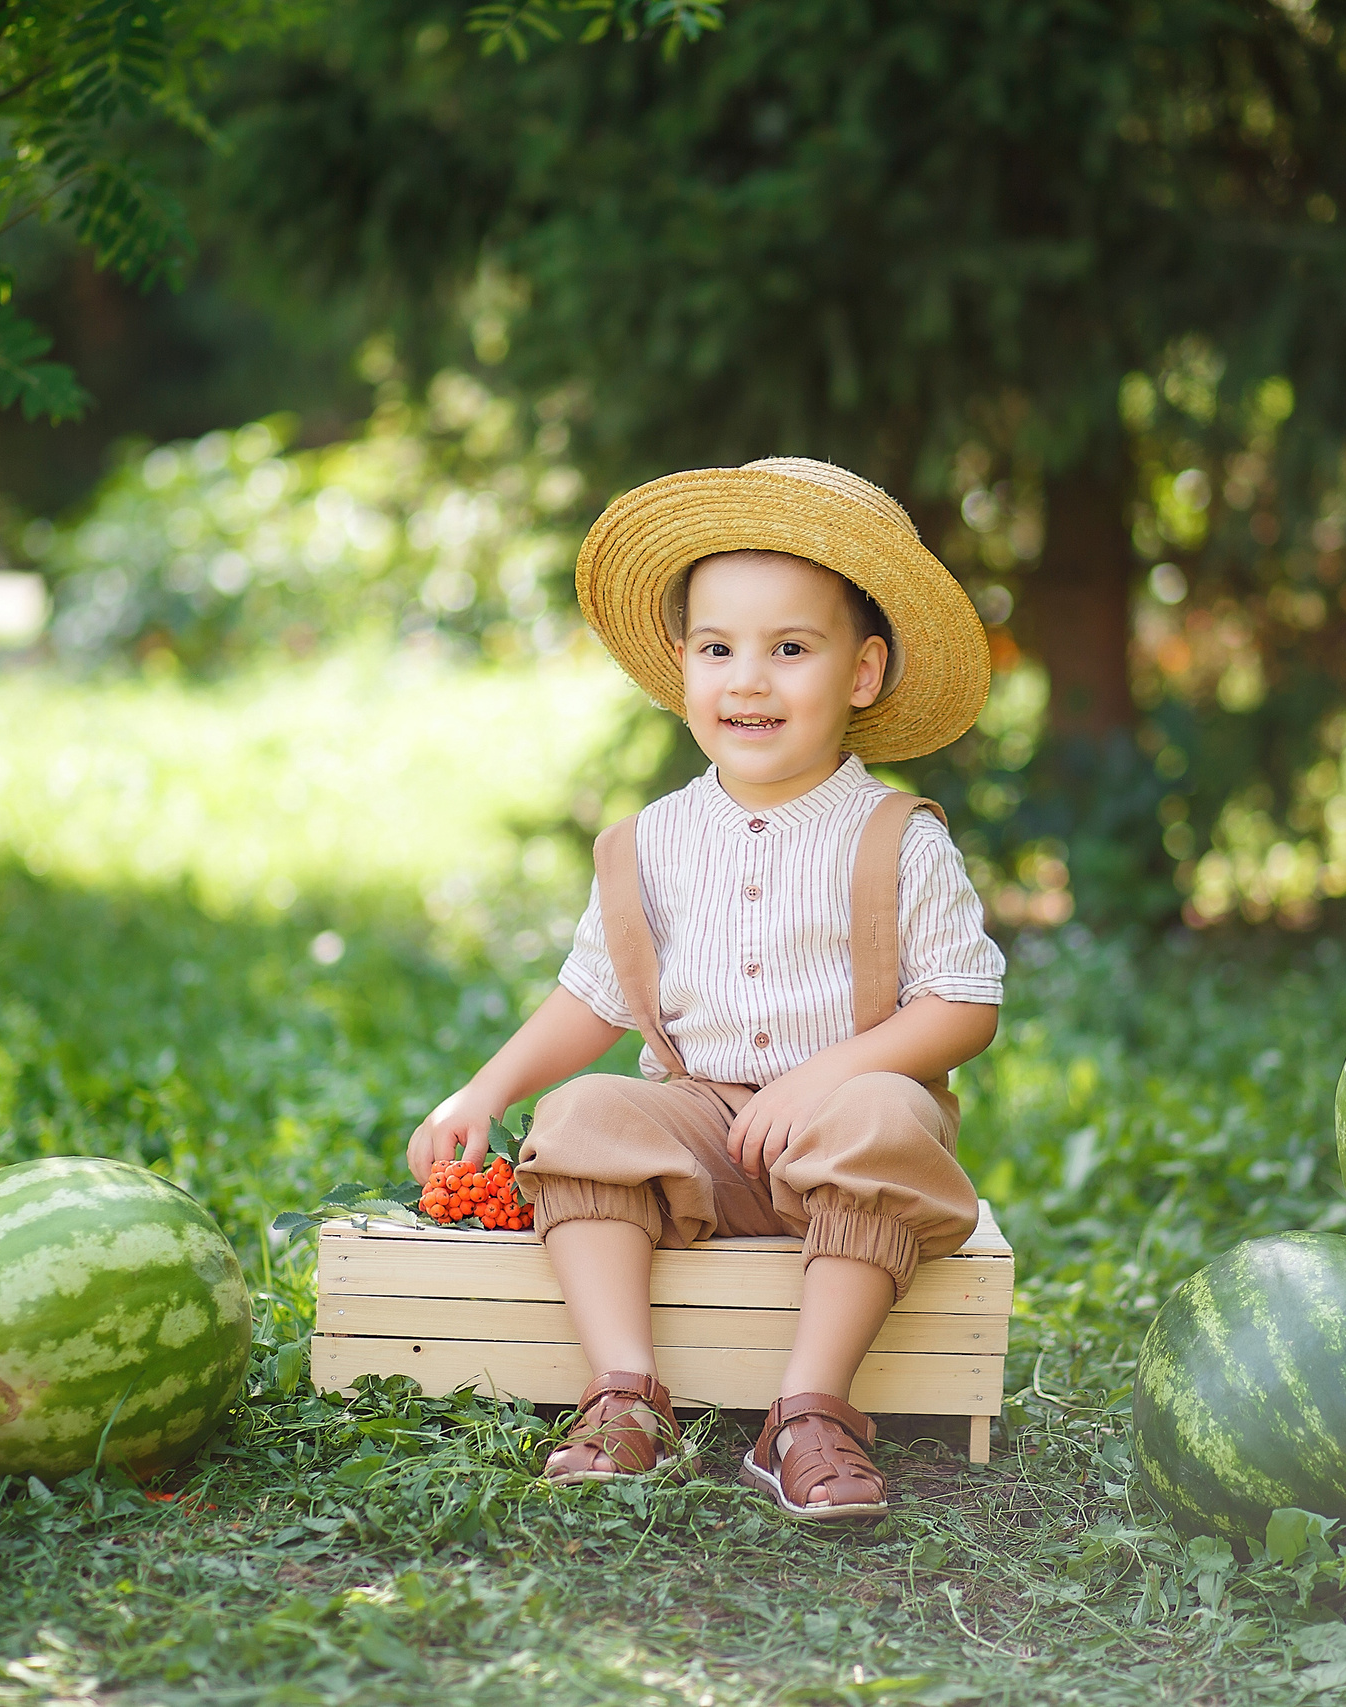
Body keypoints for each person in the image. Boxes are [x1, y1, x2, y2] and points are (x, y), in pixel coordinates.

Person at [407, 457, 1004, 1520]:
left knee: (880, 1112)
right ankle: (625, 1393)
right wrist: (482, 1092)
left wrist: (823, 1080)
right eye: (719, 648)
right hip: (696, 1134)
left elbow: (962, 1005)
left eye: (790, 649)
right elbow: (595, 998)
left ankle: (807, 1414)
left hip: (847, 1139)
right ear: (681, 665)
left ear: (861, 674)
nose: (749, 680)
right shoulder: (654, 842)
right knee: (583, 1113)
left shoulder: (895, 839)